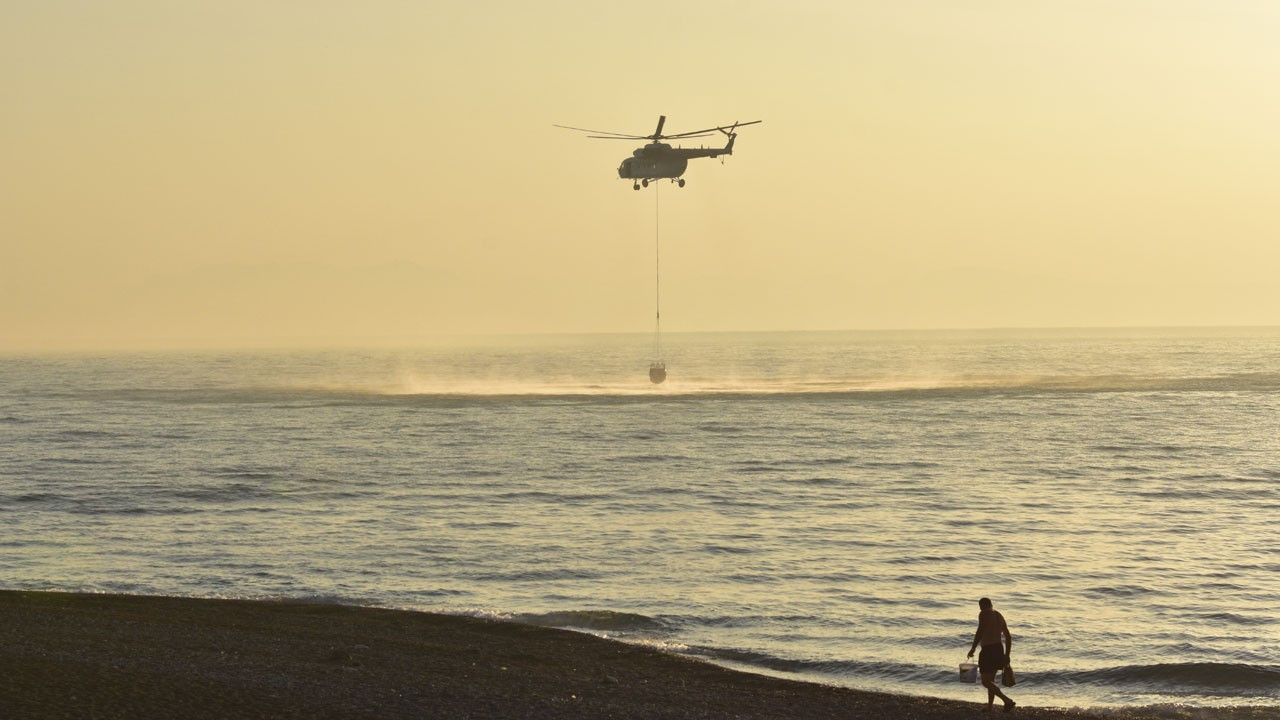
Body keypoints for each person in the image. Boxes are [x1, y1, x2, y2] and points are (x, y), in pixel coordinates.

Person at [967, 597, 1015, 711]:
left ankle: (1007, 700)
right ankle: (989, 707)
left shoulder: (983, 614)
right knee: (991, 680)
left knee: (985, 681)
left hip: (988, 650)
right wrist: (1007, 655)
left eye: (981, 607)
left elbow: (980, 631)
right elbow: (1008, 636)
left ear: (983, 606)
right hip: (998, 649)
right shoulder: (999, 615)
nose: (981, 609)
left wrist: (973, 648)